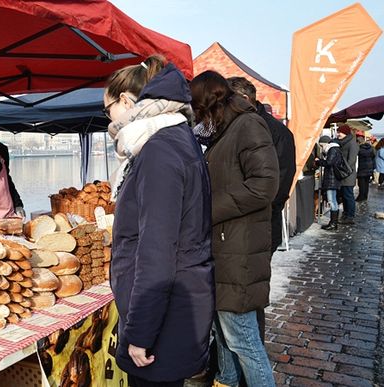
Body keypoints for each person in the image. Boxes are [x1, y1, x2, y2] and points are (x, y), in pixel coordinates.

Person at [105, 54, 214, 387]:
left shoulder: (159, 151)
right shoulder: (176, 140)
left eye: (107, 109)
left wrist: (139, 332)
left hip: (165, 322)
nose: (108, 118)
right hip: (176, 310)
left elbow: (157, 251)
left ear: (126, 100)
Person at [190, 70, 278, 387]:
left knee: (244, 343)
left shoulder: (247, 125)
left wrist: (206, 209)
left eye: (199, 113)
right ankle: (225, 382)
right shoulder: (225, 132)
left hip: (237, 250)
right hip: (223, 249)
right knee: (225, 338)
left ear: (212, 106)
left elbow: (264, 185)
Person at [227, 77, 296, 253]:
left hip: (258, 224)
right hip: (234, 225)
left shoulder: (276, 132)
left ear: (243, 98)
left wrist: (260, 212)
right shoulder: (232, 126)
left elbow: (282, 179)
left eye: (227, 100)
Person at [316, 135, 344, 230]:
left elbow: (329, 163)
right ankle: (333, 223)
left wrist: (319, 161)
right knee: (333, 201)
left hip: (331, 180)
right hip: (333, 179)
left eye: (322, 145)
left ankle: (333, 224)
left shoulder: (332, 149)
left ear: (325, 143)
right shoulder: (335, 149)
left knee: (332, 201)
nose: (322, 147)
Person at [335, 125, 358, 224]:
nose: (338, 134)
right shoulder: (343, 142)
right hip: (343, 174)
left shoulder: (352, 143)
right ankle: (346, 213)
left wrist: (343, 171)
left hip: (348, 175)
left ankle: (350, 216)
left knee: (348, 196)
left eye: (339, 132)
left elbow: (351, 161)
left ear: (345, 133)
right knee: (344, 196)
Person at [355, 133, 376, 202]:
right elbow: (373, 156)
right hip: (369, 168)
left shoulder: (359, 149)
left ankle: (361, 197)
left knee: (361, 184)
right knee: (366, 183)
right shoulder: (370, 148)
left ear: (358, 142)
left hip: (362, 168)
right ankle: (365, 197)